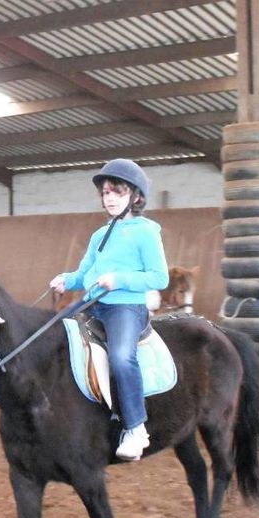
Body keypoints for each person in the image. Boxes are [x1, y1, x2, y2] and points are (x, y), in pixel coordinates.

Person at [49, 159, 169, 461]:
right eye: (105, 193)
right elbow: (85, 273)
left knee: (120, 357)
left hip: (125, 309)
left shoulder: (146, 232)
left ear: (136, 197)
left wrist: (119, 280)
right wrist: (67, 279)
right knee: (50, 337)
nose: (110, 198)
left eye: (117, 191)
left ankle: (135, 428)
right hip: (93, 304)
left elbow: (159, 277)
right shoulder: (98, 235)